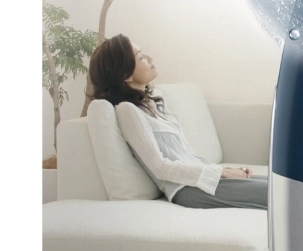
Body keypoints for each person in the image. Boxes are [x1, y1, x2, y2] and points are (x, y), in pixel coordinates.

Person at [84, 34, 267, 210]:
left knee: (281, 184)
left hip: (200, 181)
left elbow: (186, 157)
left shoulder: (151, 105)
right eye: (140, 57)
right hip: (188, 189)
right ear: (126, 75)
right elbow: (160, 167)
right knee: (280, 194)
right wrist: (221, 172)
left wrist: (223, 171)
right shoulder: (127, 110)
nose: (149, 58)